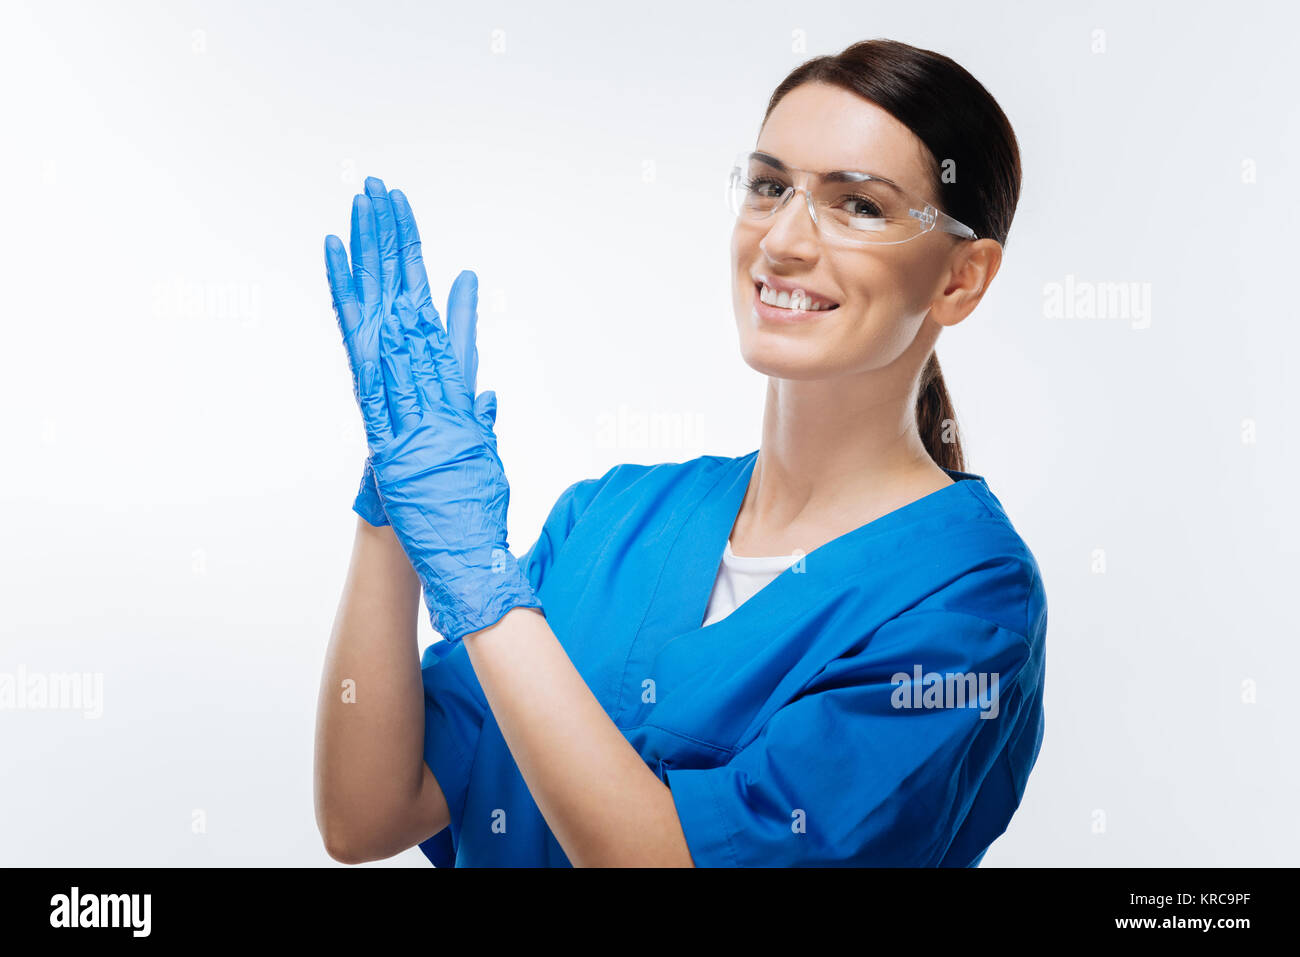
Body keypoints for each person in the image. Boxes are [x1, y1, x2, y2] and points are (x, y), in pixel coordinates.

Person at [314, 38, 1046, 867]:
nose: (783, 242)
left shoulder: (966, 601)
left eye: (858, 206)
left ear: (962, 278)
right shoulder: (611, 517)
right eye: (770, 187)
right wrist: (398, 513)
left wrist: (480, 581)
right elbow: (364, 815)